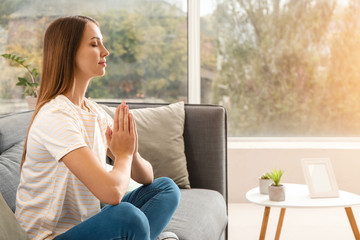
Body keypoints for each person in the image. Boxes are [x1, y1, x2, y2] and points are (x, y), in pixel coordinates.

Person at [15, 15, 180, 240]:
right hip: (49, 237)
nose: (105, 51)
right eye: (94, 44)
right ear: (68, 52)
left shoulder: (92, 111)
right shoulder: (55, 116)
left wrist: (131, 151)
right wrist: (121, 156)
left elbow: (147, 177)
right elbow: (111, 193)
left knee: (166, 189)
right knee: (127, 217)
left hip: (85, 226)